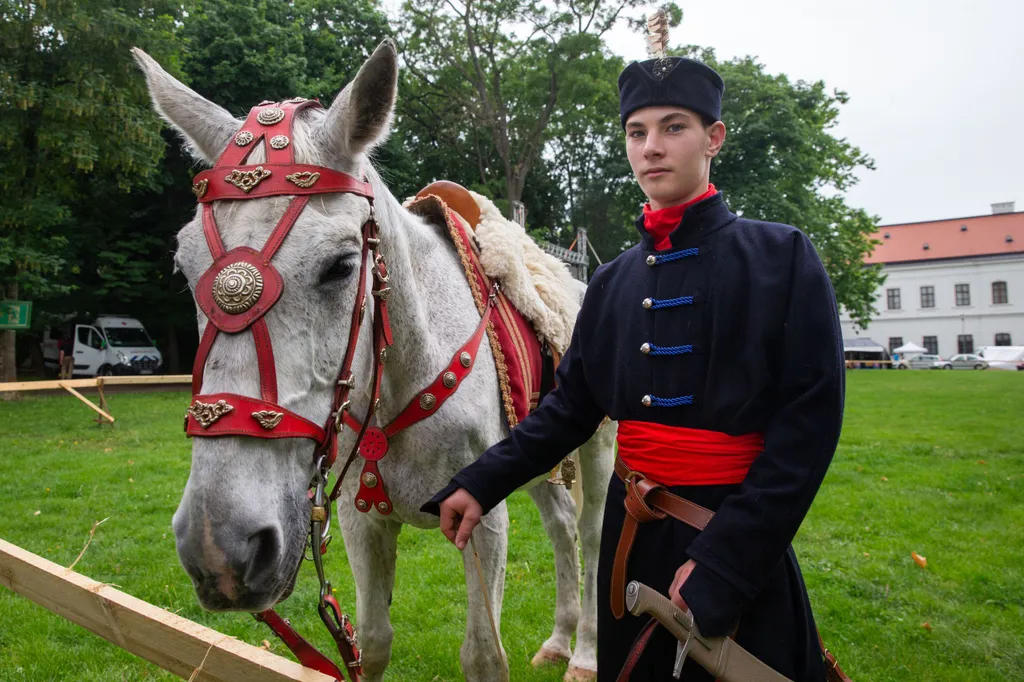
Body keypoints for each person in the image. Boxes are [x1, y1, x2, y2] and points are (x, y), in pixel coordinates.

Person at [422, 54, 845, 681]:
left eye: (674, 127)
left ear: (714, 139)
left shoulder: (781, 258)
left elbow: (806, 433)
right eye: (637, 132)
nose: (652, 147)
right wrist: (480, 482)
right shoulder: (615, 281)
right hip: (630, 540)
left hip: (733, 534)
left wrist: (726, 562)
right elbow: (569, 409)